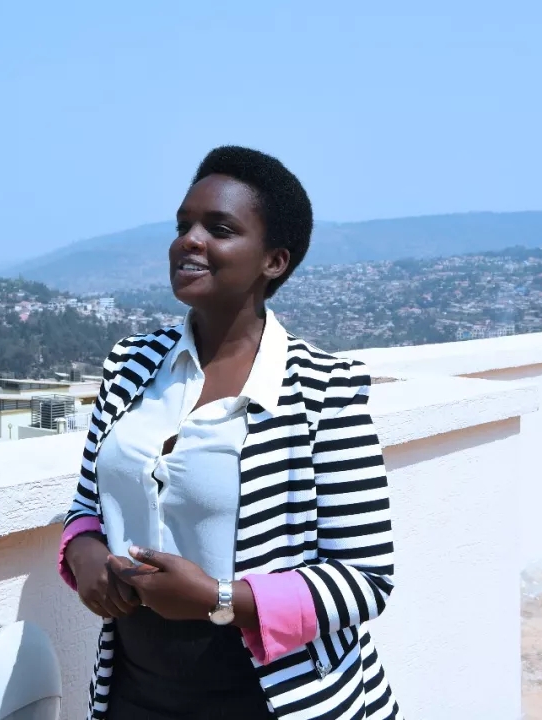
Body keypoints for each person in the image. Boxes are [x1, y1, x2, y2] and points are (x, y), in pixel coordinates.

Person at [58, 146, 401, 720]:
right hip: (134, 692)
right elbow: (88, 505)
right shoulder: (129, 366)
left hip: (275, 697)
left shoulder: (326, 391)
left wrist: (217, 600)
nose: (189, 241)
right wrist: (85, 554)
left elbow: (366, 579)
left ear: (274, 261)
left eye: (218, 229)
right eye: (183, 226)